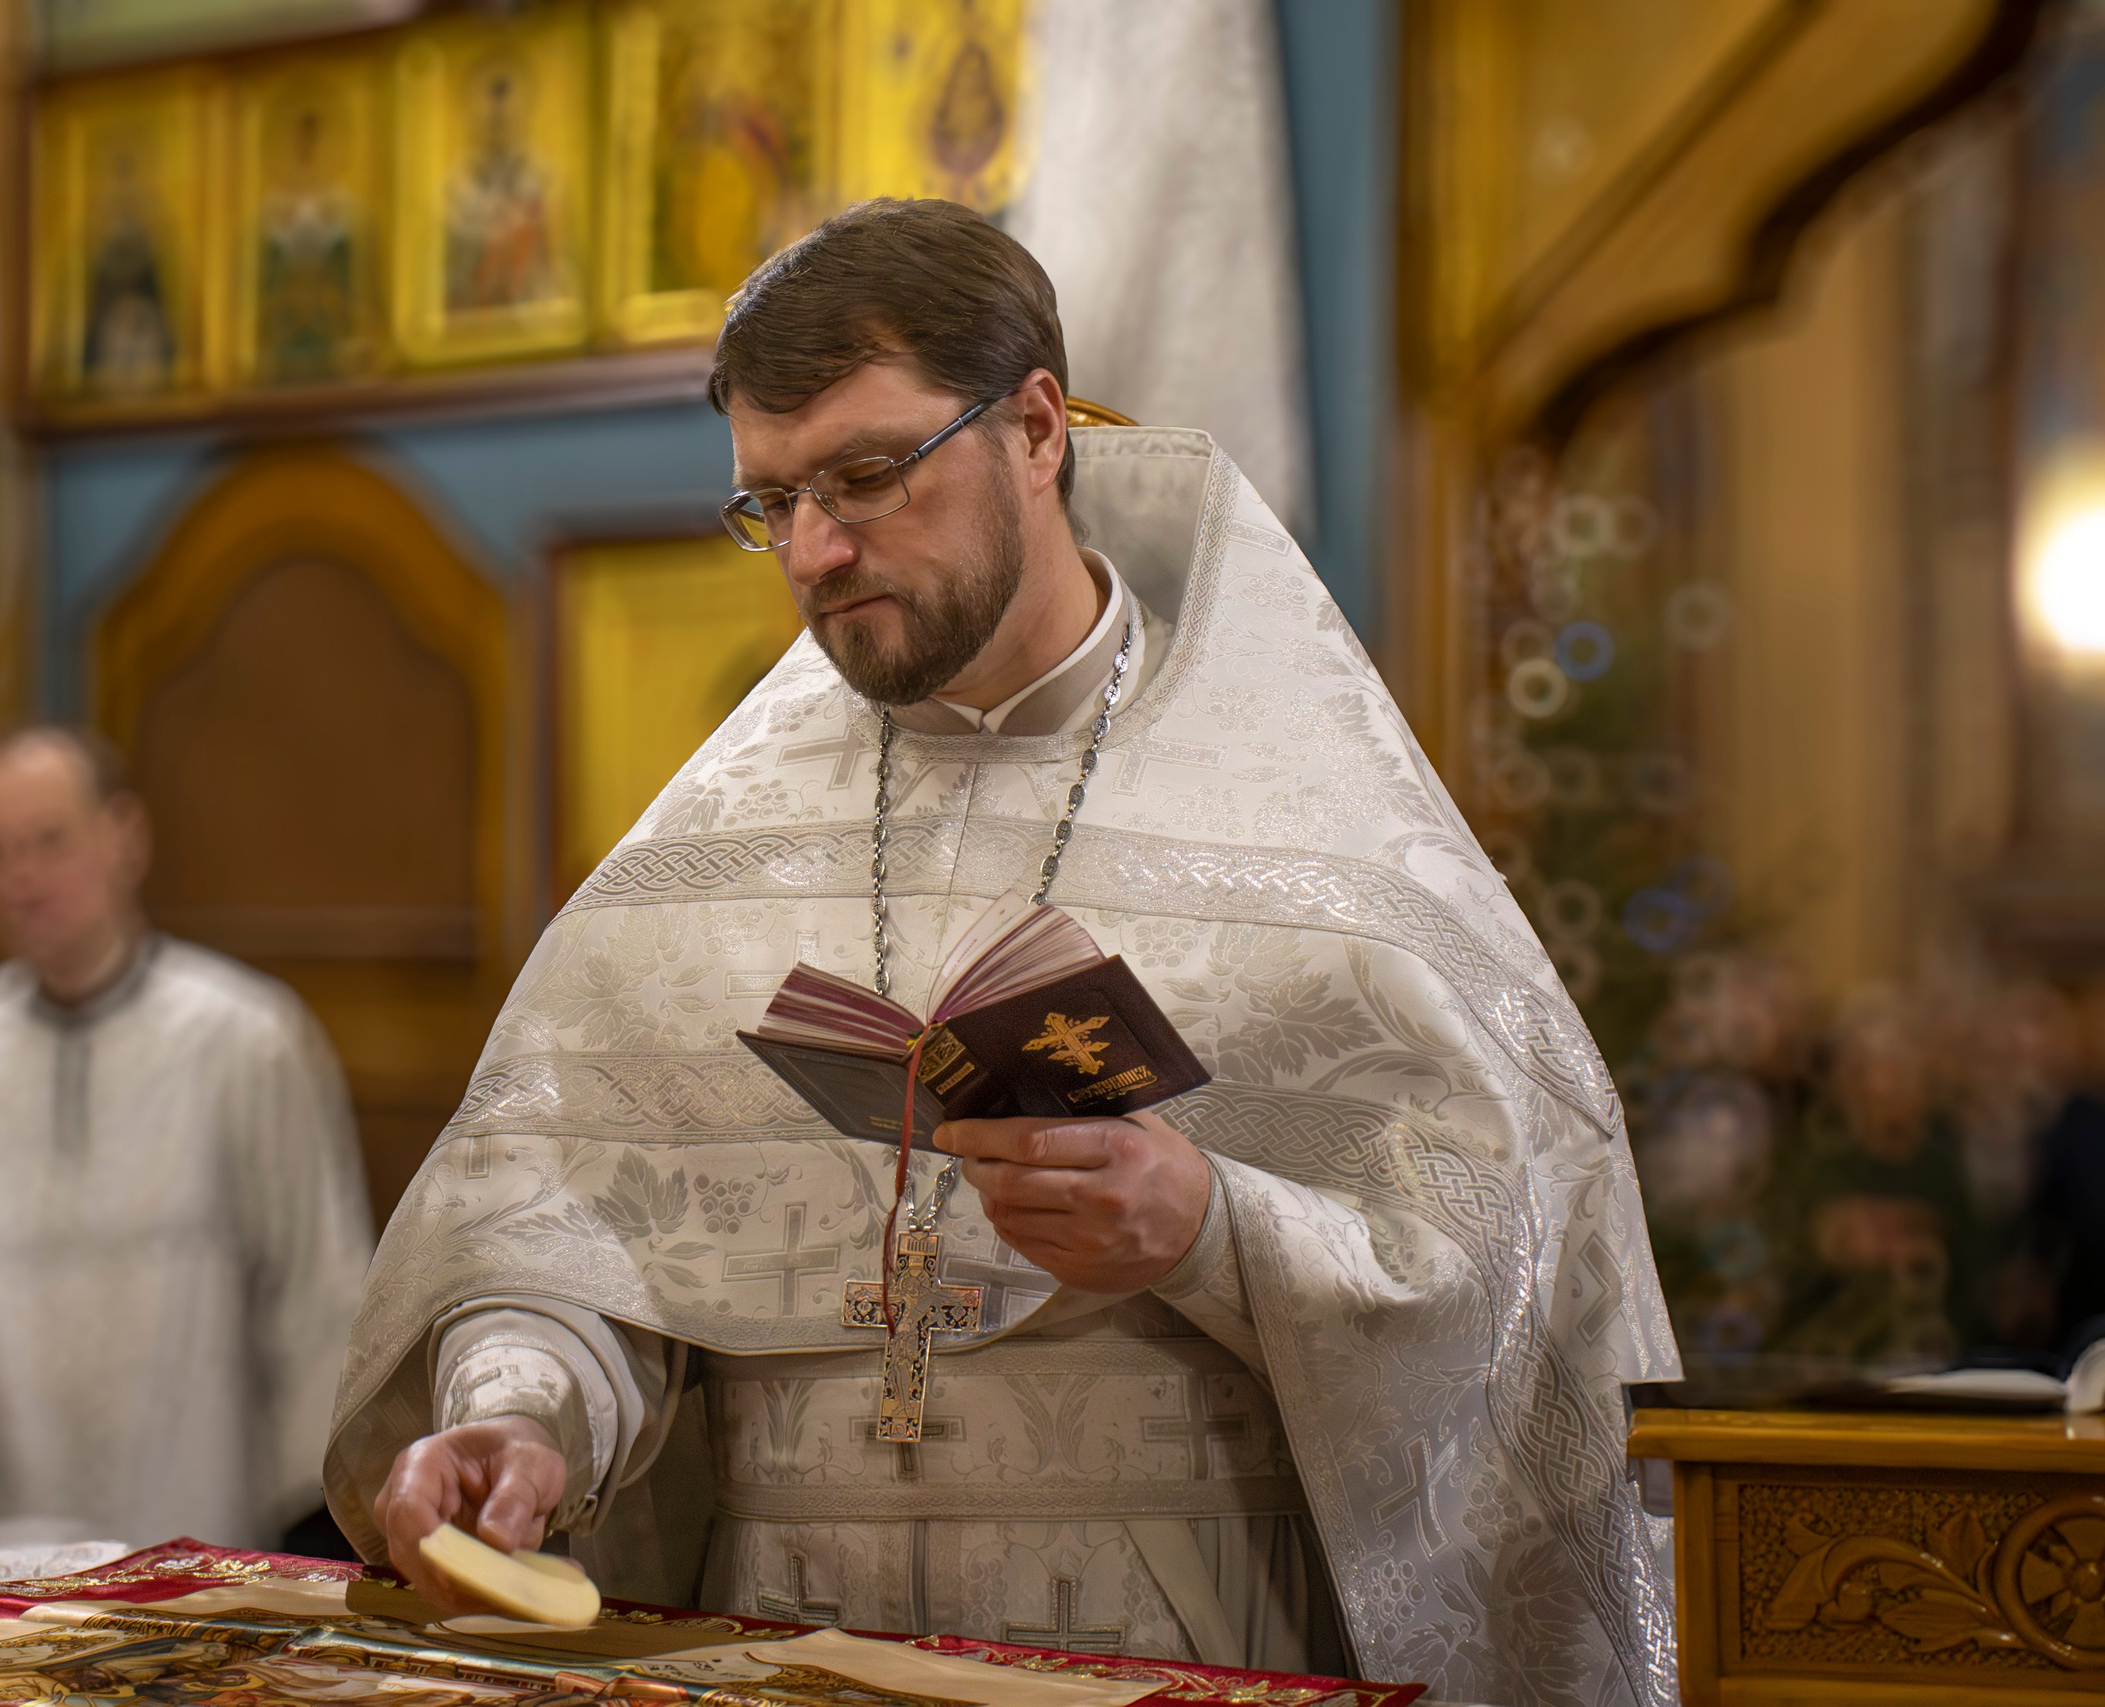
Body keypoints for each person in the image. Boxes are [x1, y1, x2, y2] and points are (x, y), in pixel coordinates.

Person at [326, 199, 1679, 1707]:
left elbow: (1514, 1270)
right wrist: (525, 1414)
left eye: (866, 473)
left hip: (1177, 1649)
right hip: (783, 1655)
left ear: (1037, 427)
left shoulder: (1313, 828)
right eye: (771, 503)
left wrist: (1214, 1226)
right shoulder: (708, 856)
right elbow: (575, 1226)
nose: (818, 550)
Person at [0, 728, 373, 1551]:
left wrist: (311, 1537)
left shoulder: (245, 1041)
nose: (22, 878)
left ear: (125, 837)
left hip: (188, 1536)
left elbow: (321, 1304)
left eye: (49, 842)